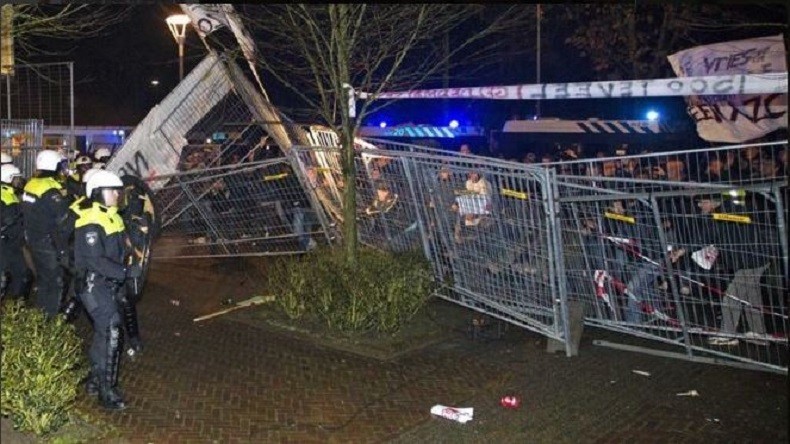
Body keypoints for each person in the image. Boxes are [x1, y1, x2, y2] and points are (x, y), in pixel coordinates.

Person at [73, 170, 141, 410]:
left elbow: (124, 246)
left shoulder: (113, 216)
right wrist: (125, 273)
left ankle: (95, 379)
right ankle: (107, 391)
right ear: (99, 193)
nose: (116, 195)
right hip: (94, 284)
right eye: (113, 191)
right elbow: (95, 261)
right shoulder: (90, 220)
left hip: (107, 284)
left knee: (104, 332)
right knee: (112, 332)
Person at [21, 150, 73, 317]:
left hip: (33, 239)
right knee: (56, 282)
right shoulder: (50, 190)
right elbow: (63, 219)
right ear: (54, 166)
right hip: (47, 242)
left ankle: (40, 317)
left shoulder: (31, 184)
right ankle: (50, 323)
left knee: (44, 280)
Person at [1, 164, 31, 300]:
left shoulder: (9, 194)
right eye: (16, 179)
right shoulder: (4, 197)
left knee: (22, 275)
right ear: (8, 179)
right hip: (5, 244)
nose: (19, 181)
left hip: (12, 244)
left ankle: (15, 312)